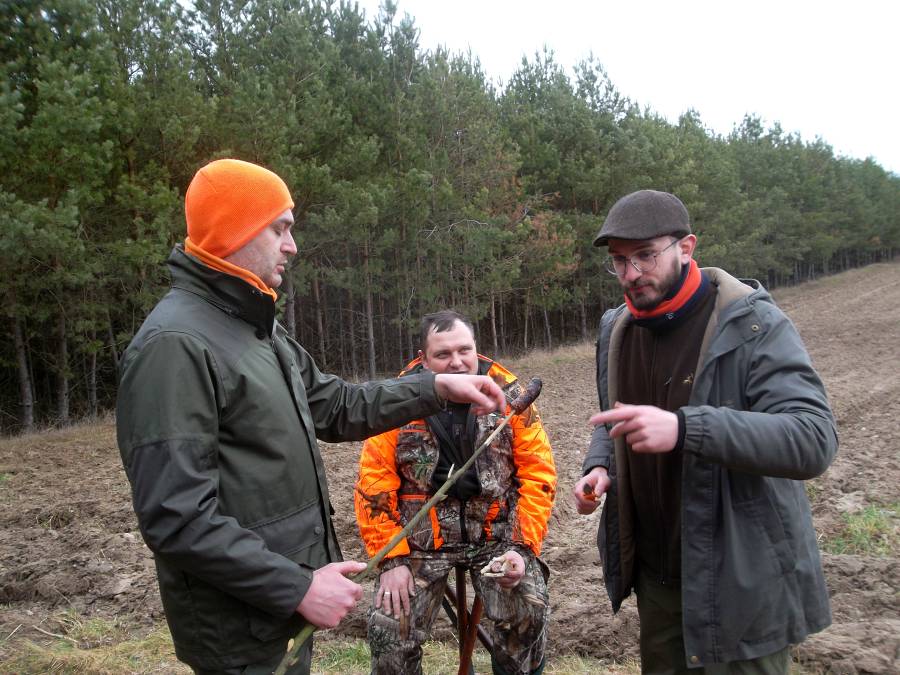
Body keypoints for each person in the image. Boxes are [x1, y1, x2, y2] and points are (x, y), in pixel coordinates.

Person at [115, 159, 506, 675]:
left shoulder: (255, 328)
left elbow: (336, 405)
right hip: (238, 628)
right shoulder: (175, 346)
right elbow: (176, 517)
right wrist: (297, 587)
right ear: (235, 230)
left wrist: (433, 387)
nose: (292, 246)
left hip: (274, 609)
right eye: (280, 228)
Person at [572, 190, 838, 674]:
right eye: (619, 261)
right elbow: (615, 417)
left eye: (645, 255)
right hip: (658, 581)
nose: (631, 273)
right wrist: (601, 465)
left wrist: (685, 427)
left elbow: (812, 438)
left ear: (686, 247)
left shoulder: (752, 323)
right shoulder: (617, 330)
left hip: (742, 582)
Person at [354, 310, 556, 675]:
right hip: (419, 545)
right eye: (443, 354)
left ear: (476, 348)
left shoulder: (513, 397)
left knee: (529, 608)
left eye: (464, 350)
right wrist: (392, 561)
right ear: (423, 358)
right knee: (389, 629)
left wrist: (521, 548)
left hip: (497, 539)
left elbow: (538, 473)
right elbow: (374, 483)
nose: (457, 362)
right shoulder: (395, 401)